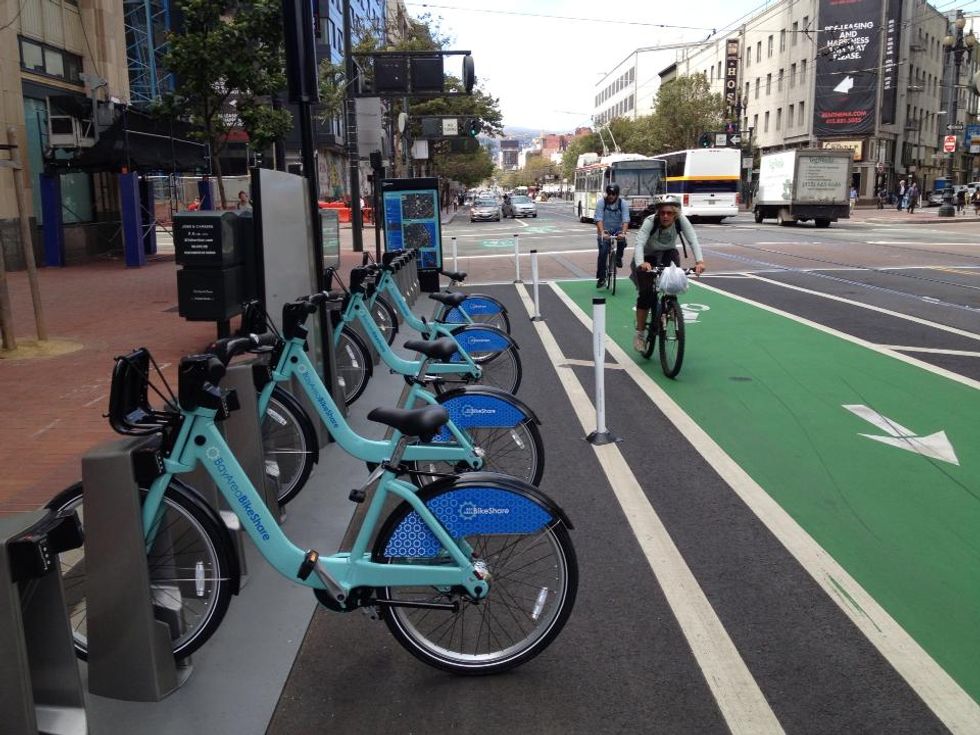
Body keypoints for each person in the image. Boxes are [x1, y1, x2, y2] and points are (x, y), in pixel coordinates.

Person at [631, 195, 705, 352]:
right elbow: (639, 243)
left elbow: (693, 240)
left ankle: (669, 306)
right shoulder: (650, 221)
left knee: (674, 281)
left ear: (676, 214)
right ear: (658, 212)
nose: (665, 216)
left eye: (669, 213)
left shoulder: (681, 220)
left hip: (667, 254)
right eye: (663, 212)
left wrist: (699, 261)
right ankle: (640, 334)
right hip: (647, 257)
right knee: (646, 294)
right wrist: (640, 263)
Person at [594, 183, 630, 288]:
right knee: (603, 252)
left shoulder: (622, 204)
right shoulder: (601, 202)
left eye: (613, 194)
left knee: (622, 240)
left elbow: (626, 220)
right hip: (604, 230)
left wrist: (623, 233)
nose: (611, 196)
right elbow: (599, 219)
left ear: (617, 195)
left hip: (617, 230)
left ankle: (618, 257)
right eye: (609, 193)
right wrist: (602, 233)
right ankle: (601, 278)